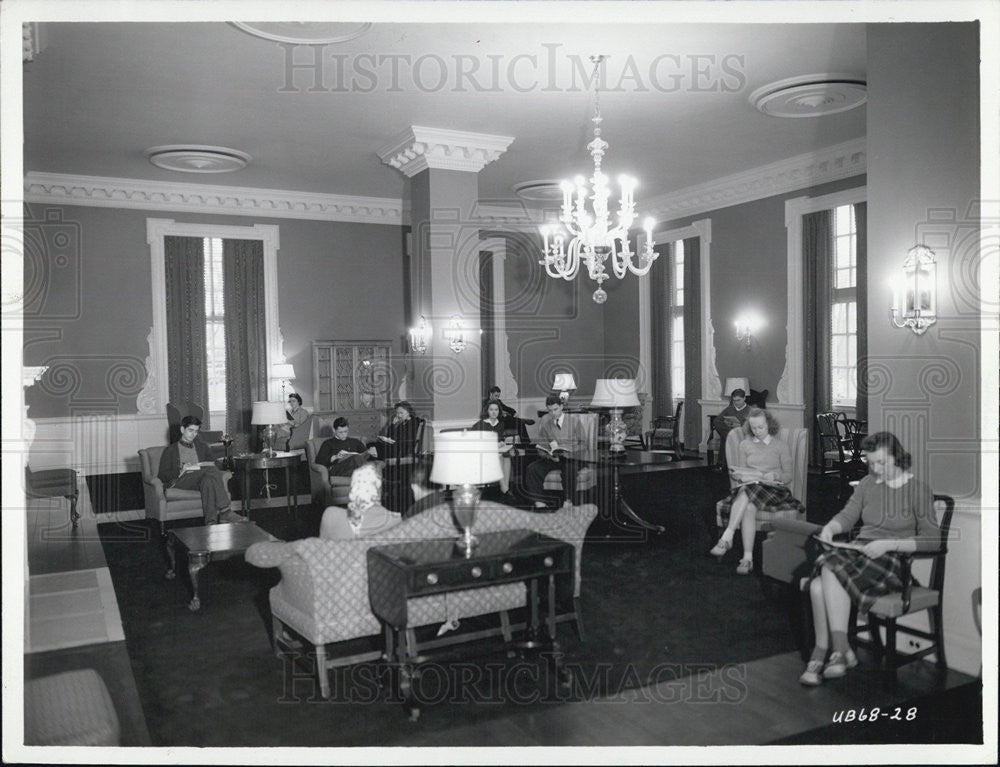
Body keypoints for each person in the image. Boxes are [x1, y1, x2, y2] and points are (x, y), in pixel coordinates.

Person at [798, 431, 939, 686]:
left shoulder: (918, 490)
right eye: (871, 463)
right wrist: (831, 527)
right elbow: (848, 515)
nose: (875, 469)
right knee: (820, 583)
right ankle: (838, 650)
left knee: (827, 571)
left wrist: (889, 544)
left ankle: (832, 651)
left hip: (893, 562)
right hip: (860, 555)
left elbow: (933, 540)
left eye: (881, 463)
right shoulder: (867, 483)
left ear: (898, 458)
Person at [710, 407, 803, 574]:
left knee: (748, 492)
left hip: (774, 490)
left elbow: (788, 476)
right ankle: (747, 559)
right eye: (753, 428)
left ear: (769, 425)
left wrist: (772, 475)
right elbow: (740, 470)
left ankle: (728, 535)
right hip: (752, 488)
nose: (757, 431)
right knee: (749, 506)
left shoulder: (780, 446)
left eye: (761, 427)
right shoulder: (745, 445)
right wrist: (740, 475)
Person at [157, 415, 237, 524]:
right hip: (180, 481)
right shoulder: (170, 450)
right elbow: (162, 475)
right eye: (190, 430)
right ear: (182, 429)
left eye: (196, 431)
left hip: (199, 480)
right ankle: (225, 510)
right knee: (209, 470)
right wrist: (181, 469)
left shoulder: (202, 447)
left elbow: (217, 464)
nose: (193, 434)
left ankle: (210, 522)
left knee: (209, 480)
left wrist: (209, 464)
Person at [523, 394, 587, 510]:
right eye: (550, 411)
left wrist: (571, 451)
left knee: (569, 469)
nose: (553, 413)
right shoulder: (546, 425)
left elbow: (583, 444)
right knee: (532, 469)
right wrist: (547, 454)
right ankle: (540, 502)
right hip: (554, 458)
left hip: (571, 458)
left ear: (562, 406)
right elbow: (541, 446)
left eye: (555, 409)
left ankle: (568, 501)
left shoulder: (574, 421)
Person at [318, 463, 401, 539]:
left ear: (352, 493)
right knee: (356, 458)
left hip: (341, 553)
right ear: (379, 493)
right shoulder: (395, 520)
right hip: (339, 468)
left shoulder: (331, 515)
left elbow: (321, 549)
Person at [472, 401, 517, 496]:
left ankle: (506, 486)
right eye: (491, 409)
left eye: (496, 410)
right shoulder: (480, 424)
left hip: (497, 452)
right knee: (499, 458)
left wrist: (501, 442)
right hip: (482, 454)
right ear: (487, 411)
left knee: (506, 457)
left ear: (499, 411)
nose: (494, 412)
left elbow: (500, 439)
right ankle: (504, 488)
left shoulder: (500, 424)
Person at [714, 388, 750, 465]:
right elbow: (717, 421)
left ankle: (721, 464)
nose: (736, 403)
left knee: (726, 439)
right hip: (729, 434)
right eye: (734, 401)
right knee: (725, 434)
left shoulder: (750, 410)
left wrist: (740, 426)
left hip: (742, 436)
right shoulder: (729, 409)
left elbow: (751, 427)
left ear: (744, 398)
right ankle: (730, 437)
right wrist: (729, 432)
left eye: (738, 400)